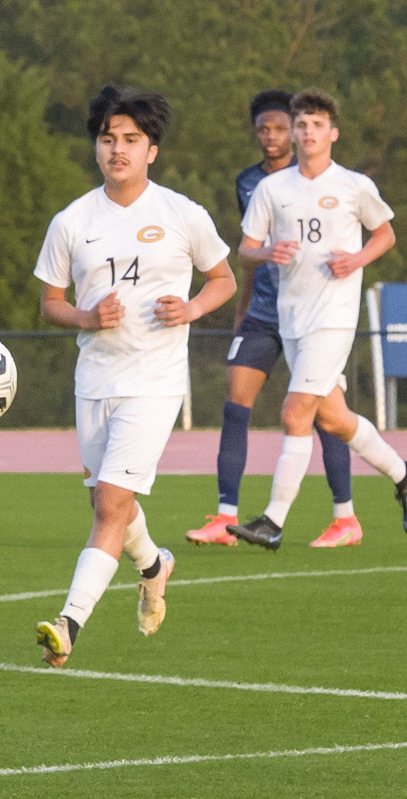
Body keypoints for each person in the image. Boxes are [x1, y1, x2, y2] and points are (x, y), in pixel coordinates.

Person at [32, 86, 236, 668]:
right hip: (94, 379)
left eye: (130, 140)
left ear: (152, 150)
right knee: (108, 501)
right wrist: (87, 316)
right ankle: (153, 565)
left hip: (156, 381)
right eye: (107, 139)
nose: (117, 150)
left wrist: (192, 308)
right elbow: (51, 302)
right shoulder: (72, 221)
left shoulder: (181, 213)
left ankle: (68, 624)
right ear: (96, 147)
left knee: (110, 505)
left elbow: (223, 279)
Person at [226, 89, 406, 551]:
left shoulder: (352, 185)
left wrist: (357, 259)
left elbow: (384, 233)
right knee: (336, 418)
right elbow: (246, 250)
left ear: (333, 134)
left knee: (294, 411)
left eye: (317, 125)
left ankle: (272, 520)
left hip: (334, 316)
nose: (308, 133)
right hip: (291, 318)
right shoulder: (271, 189)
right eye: (302, 124)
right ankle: (404, 478)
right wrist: (267, 252)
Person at [187, 90, 363, 548]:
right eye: (264, 129)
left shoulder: (318, 181)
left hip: (314, 314)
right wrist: (243, 307)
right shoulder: (250, 182)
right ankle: (225, 516)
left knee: (326, 415)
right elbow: (252, 249)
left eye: (281, 128)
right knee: (235, 401)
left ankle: (344, 517)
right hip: (265, 313)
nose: (272, 136)